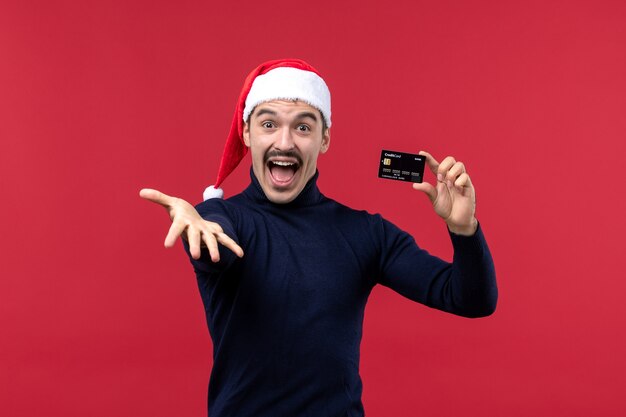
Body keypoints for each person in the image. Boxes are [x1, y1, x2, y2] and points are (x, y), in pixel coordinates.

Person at [140, 58, 497, 417]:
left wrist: (464, 230)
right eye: (268, 124)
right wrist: (198, 227)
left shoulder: (366, 233)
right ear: (247, 134)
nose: (284, 142)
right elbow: (214, 248)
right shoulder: (222, 218)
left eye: (303, 128)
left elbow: (472, 300)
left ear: (324, 139)